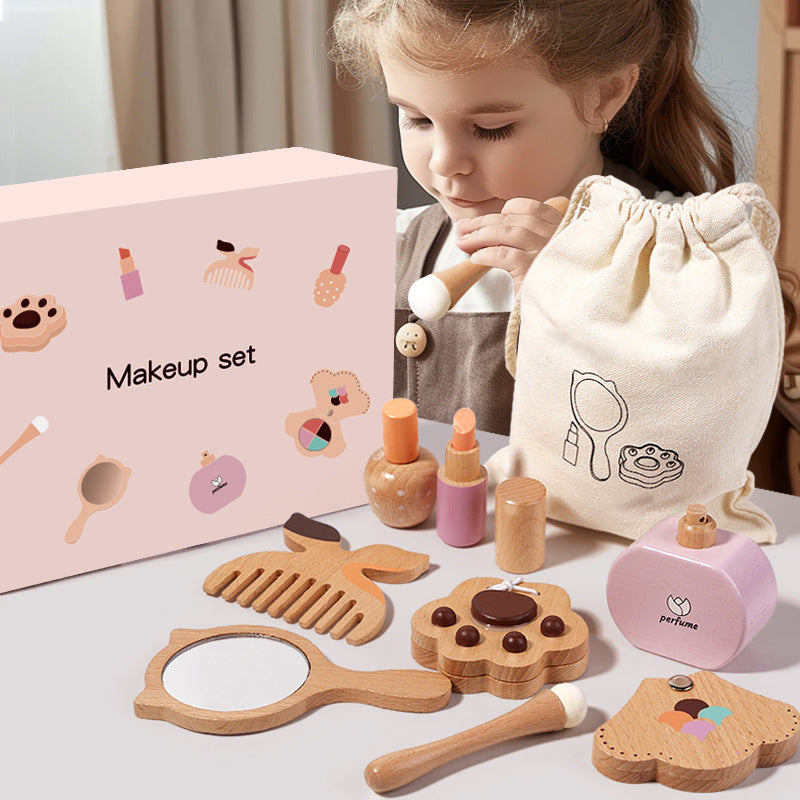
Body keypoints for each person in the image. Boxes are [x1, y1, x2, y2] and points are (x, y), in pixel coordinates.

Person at [329, 0, 737, 436]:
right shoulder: (389, 246)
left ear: (604, 94)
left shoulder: (686, 258)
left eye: (491, 128)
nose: (445, 163)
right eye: (417, 118)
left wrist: (570, 296)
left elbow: (678, 442)